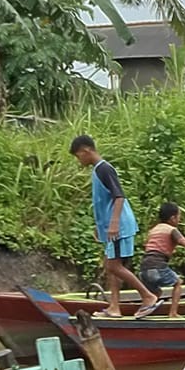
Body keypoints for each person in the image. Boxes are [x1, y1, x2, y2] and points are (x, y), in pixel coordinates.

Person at [69, 134, 158, 318]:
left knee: (113, 266)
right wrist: (100, 226)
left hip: (119, 226)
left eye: (78, 156)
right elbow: (104, 201)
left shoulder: (104, 169)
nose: (79, 160)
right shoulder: (97, 170)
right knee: (110, 265)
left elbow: (119, 196)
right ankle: (114, 308)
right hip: (111, 226)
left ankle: (148, 296)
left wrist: (114, 224)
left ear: (86, 151)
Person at [139, 202, 185, 318]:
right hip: (157, 266)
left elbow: (153, 246)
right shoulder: (171, 230)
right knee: (178, 283)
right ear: (172, 218)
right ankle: (173, 313)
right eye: (178, 217)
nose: (179, 219)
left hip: (144, 268)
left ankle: (144, 310)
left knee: (156, 293)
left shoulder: (153, 230)